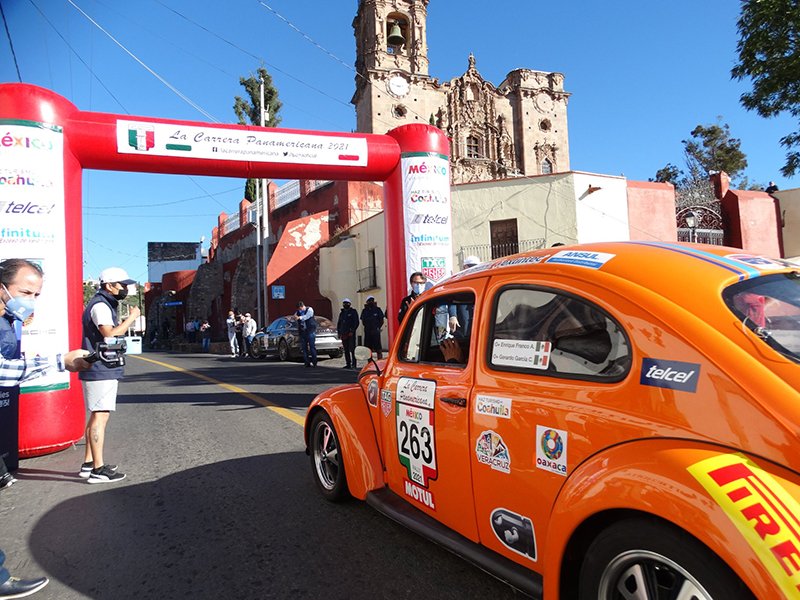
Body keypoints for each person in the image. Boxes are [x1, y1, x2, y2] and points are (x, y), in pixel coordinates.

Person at [0, 258, 91, 599]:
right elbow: (4, 371)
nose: (31, 300)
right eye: (25, 291)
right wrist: (60, 361)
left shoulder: (11, 319)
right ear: (2, 288)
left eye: (36, 294)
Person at [79, 267, 141, 484]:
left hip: (101, 366)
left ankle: (88, 464)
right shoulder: (100, 306)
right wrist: (132, 318)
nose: (125, 288)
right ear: (109, 285)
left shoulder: (102, 304)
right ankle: (98, 469)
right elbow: (110, 334)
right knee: (100, 416)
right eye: (121, 284)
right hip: (100, 367)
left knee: (97, 414)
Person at [336, 299, 359, 369]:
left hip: (350, 334)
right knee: (346, 350)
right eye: (344, 303)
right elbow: (339, 323)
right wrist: (339, 332)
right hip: (344, 333)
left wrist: (352, 331)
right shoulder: (342, 313)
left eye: (347, 303)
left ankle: (354, 364)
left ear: (350, 304)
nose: (345, 304)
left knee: (352, 349)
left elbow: (356, 322)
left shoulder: (353, 312)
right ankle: (348, 363)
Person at [295, 301, 317, 367]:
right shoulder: (298, 312)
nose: (299, 310)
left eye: (300, 308)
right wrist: (296, 316)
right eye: (298, 309)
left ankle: (314, 362)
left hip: (310, 330)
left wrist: (300, 317)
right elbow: (295, 316)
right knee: (304, 348)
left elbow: (307, 316)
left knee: (312, 346)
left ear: (302, 306)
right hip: (302, 331)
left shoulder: (309, 309)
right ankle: (307, 362)